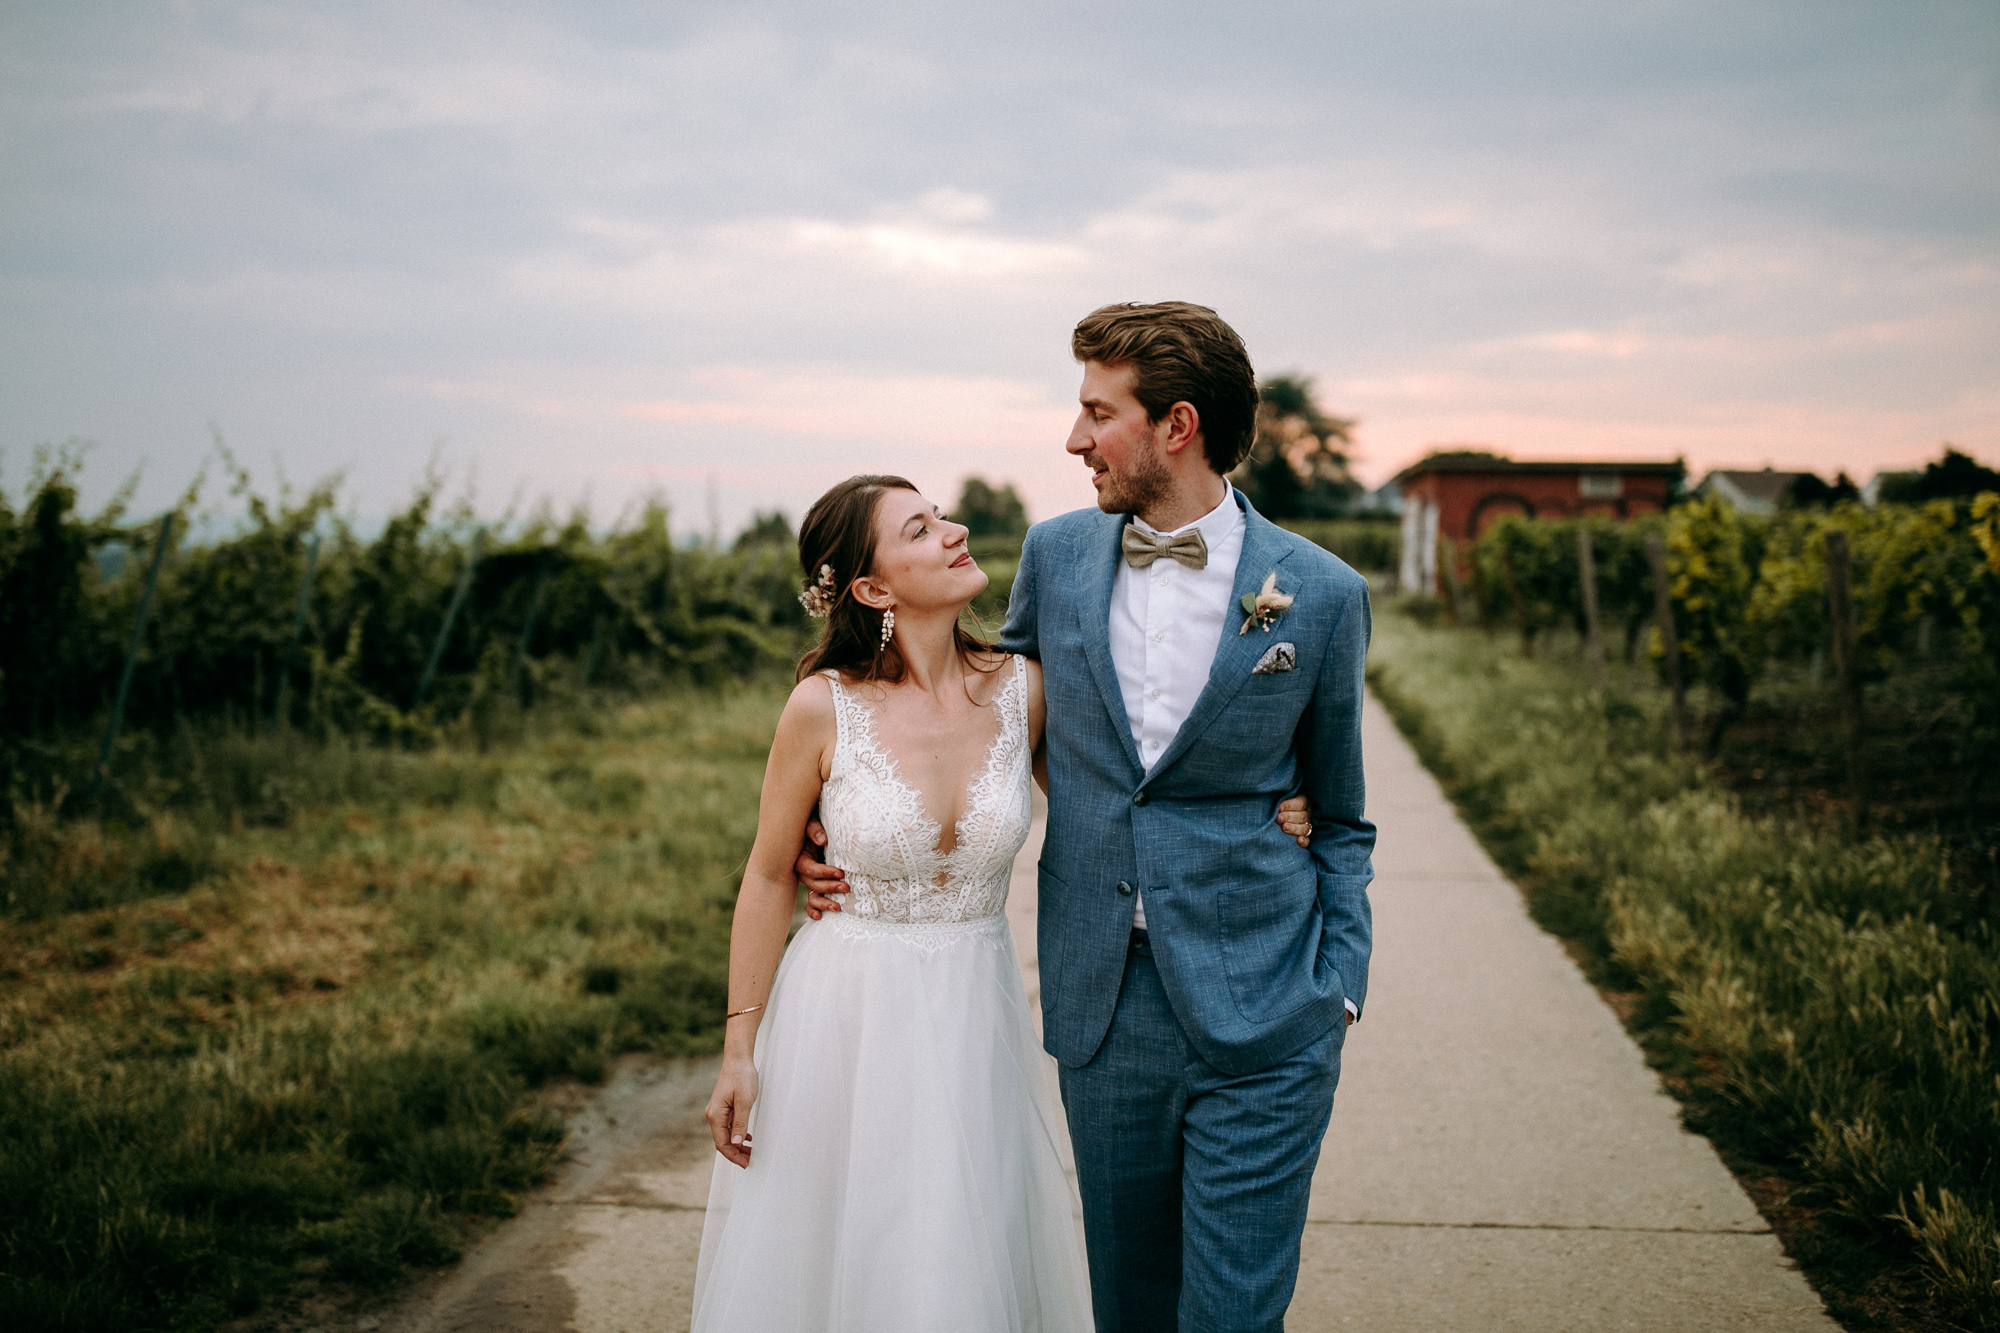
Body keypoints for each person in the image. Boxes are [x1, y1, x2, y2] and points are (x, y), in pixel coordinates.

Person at [802, 301, 1374, 1332]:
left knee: (1233, 1315)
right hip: (1104, 1006)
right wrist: (841, 821)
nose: (1072, 439)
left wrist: (1338, 985)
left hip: (1269, 1002)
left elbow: (1342, 813)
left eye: (1095, 413)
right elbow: (985, 716)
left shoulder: (1322, 596)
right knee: (1127, 1306)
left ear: (1175, 426)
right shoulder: (1056, 557)